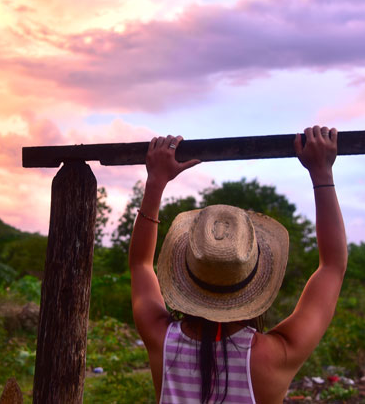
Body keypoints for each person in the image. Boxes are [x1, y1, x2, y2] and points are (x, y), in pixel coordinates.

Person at [129, 126, 346, 404]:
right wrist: (322, 173)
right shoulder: (275, 355)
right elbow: (333, 266)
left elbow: (140, 264)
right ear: (252, 279)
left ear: (187, 272)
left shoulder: (162, 339)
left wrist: (156, 181)